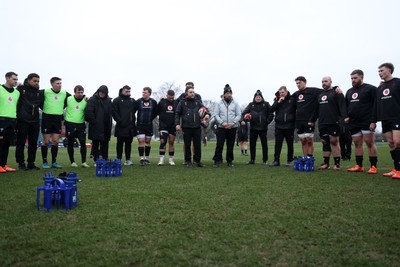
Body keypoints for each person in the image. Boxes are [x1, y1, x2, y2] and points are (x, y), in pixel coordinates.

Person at [345, 69, 378, 174]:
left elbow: (376, 105)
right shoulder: (349, 91)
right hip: (354, 122)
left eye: (355, 78)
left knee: (369, 143)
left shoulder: (371, 89)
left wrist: (373, 121)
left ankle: (373, 166)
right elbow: (346, 106)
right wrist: (346, 116)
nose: (353, 80)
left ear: (361, 77)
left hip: (367, 121)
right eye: (351, 78)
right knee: (357, 143)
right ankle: (359, 165)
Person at [309, 76, 346, 170]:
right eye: (322, 81)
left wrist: (345, 117)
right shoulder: (320, 95)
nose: (324, 83)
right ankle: (326, 163)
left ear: (330, 82)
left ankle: (337, 164)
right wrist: (312, 120)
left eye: (326, 81)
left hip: (334, 121)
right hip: (322, 122)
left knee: (334, 141)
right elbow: (316, 110)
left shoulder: (337, 93)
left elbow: (342, 106)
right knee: (325, 142)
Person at [371, 63, 400, 179]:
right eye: (379, 71)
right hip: (385, 119)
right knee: (391, 143)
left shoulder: (398, 82)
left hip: (397, 117)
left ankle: (399, 170)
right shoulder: (380, 87)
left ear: (389, 70)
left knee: (397, 142)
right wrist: (373, 121)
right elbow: (376, 105)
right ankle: (396, 169)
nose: (380, 73)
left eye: (382, 71)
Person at [175, 86, 210, 167]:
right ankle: (188, 161)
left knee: (197, 145)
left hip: (197, 127)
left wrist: (207, 115)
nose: (192, 94)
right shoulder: (182, 102)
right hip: (186, 127)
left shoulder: (197, 102)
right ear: (186, 93)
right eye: (190, 92)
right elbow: (177, 113)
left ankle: (197, 161)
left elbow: (205, 110)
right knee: (187, 145)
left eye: (193, 92)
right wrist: (177, 124)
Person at [40, 77, 70, 169]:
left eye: (60, 83)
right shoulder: (45, 91)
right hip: (46, 118)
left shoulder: (64, 93)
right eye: (57, 83)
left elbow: (73, 99)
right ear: (52, 84)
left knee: (56, 141)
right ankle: (45, 162)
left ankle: (54, 162)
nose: (59, 85)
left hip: (57, 119)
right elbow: (35, 96)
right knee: (46, 141)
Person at [15, 73, 43, 170]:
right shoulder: (20, 90)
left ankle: (31, 163)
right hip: (23, 120)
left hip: (35, 121)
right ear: (28, 80)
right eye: (34, 81)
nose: (36, 83)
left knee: (33, 143)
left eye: (38, 81)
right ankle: (21, 163)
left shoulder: (40, 93)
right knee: (21, 142)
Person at [241, 90, 274, 166]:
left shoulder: (266, 104)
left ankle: (265, 160)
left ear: (261, 97)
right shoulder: (251, 105)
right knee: (252, 145)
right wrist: (244, 120)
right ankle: (252, 160)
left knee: (264, 145)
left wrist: (267, 121)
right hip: (253, 128)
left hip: (263, 128)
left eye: (259, 97)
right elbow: (243, 113)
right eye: (256, 97)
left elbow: (271, 114)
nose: (258, 98)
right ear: (254, 98)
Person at [292, 76, 322, 158]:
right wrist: (278, 97)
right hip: (299, 121)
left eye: (300, 83)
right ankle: (305, 159)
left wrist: (336, 87)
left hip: (309, 120)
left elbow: (325, 90)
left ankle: (309, 158)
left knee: (309, 140)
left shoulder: (312, 91)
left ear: (305, 82)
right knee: (303, 141)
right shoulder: (296, 94)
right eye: (297, 83)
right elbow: (288, 99)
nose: (298, 85)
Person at [212, 84, 241, 167]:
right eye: (227, 93)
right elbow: (216, 114)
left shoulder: (235, 103)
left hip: (232, 127)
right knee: (219, 144)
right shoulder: (219, 103)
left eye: (230, 93)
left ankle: (229, 161)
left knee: (230, 145)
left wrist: (233, 123)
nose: (229, 94)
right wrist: (222, 123)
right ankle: (217, 160)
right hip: (221, 127)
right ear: (224, 94)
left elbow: (238, 115)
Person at [85, 85, 113, 163]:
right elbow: (89, 111)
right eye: (100, 92)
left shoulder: (108, 101)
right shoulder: (92, 99)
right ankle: (96, 159)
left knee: (105, 144)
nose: (102, 93)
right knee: (95, 143)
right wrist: (94, 121)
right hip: (96, 126)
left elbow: (111, 112)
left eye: (103, 92)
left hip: (106, 126)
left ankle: (105, 158)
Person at [270, 86, 296, 167]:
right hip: (279, 126)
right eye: (280, 92)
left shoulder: (292, 99)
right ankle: (276, 161)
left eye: (283, 92)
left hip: (289, 126)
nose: (281, 94)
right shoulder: (277, 99)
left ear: (286, 92)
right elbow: (271, 110)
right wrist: (278, 102)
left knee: (290, 144)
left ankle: (289, 160)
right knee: (278, 144)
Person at [65, 85, 90, 168]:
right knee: (70, 143)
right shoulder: (68, 99)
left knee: (83, 143)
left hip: (81, 124)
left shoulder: (86, 100)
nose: (80, 94)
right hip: (70, 124)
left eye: (81, 92)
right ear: (74, 92)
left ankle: (84, 162)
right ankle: (72, 162)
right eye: (78, 92)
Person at [0, 72, 20, 173]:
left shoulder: (17, 92)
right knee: (0, 143)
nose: (16, 81)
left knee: (7, 143)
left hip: (12, 120)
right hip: (1, 120)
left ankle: (4, 164)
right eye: (14, 79)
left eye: (16, 79)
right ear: (7, 78)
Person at [112, 85, 136, 166]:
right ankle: (118, 159)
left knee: (128, 144)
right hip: (121, 126)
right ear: (122, 91)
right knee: (120, 143)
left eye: (129, 91)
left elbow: (137, 108)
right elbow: (114, 112)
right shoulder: (116, 100)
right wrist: (120, 121)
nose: (128, 93)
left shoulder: (132, 101)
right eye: (126, 91)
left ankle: (128, 159)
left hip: (130, 127)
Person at [135, 87, 157, 166]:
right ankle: (141, 158)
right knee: (141, 141)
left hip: (149, 125)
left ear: (149, 94)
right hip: (140, 125)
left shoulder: (153, 102)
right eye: (143, 92)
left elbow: (156, 112)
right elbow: (133, 111)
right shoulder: (138, 101)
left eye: (145, 92)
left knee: (147, 142)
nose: (143, 94)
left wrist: (151, 118)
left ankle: (147, 158)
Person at [157, 89, 179, 166]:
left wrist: (178, 124)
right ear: (167, 96)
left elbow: (179, 114)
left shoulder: (176, 103)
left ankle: (171, 160)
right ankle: (161, 160)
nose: (171, 99)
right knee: (163, 142)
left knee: (171, 142)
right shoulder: (162, 102)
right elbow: (156, 111)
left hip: (173, 126)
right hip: (163, 126)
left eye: (172, 97)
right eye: (169, 97)